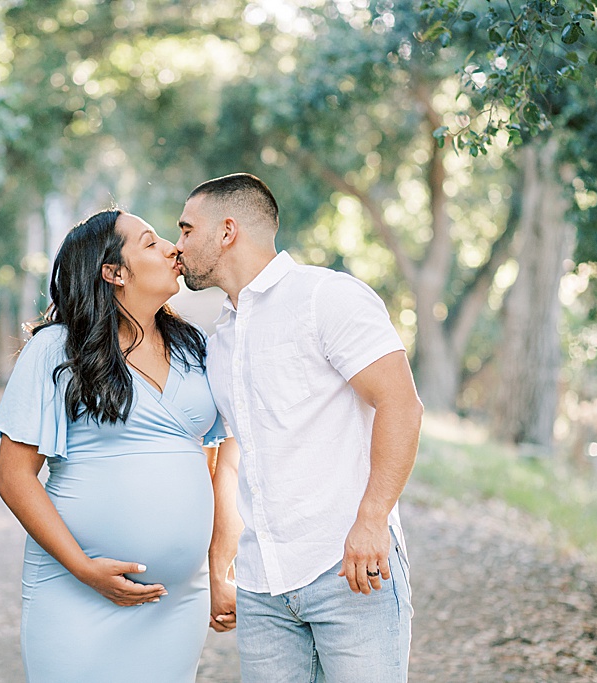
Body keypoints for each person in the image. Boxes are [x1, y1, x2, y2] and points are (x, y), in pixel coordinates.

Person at [175, 173, 423, 683]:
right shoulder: (219, 337)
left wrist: (373, 519)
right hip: (263, 588)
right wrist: (221, 570)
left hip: (350, 571)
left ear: (227, 231)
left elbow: (401, 403)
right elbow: (234, 456)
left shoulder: (325, 297)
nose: (177, 247)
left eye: (185, 230)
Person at [0, 208, 232, 683]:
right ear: (114, 273)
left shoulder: (195, 348)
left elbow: (212, 462)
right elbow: (13, 476)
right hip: (75, 590)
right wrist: (83, 569)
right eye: (150, 242)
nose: (173, 247)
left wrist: (216, 570)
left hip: (177, 599)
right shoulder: (57, 350)